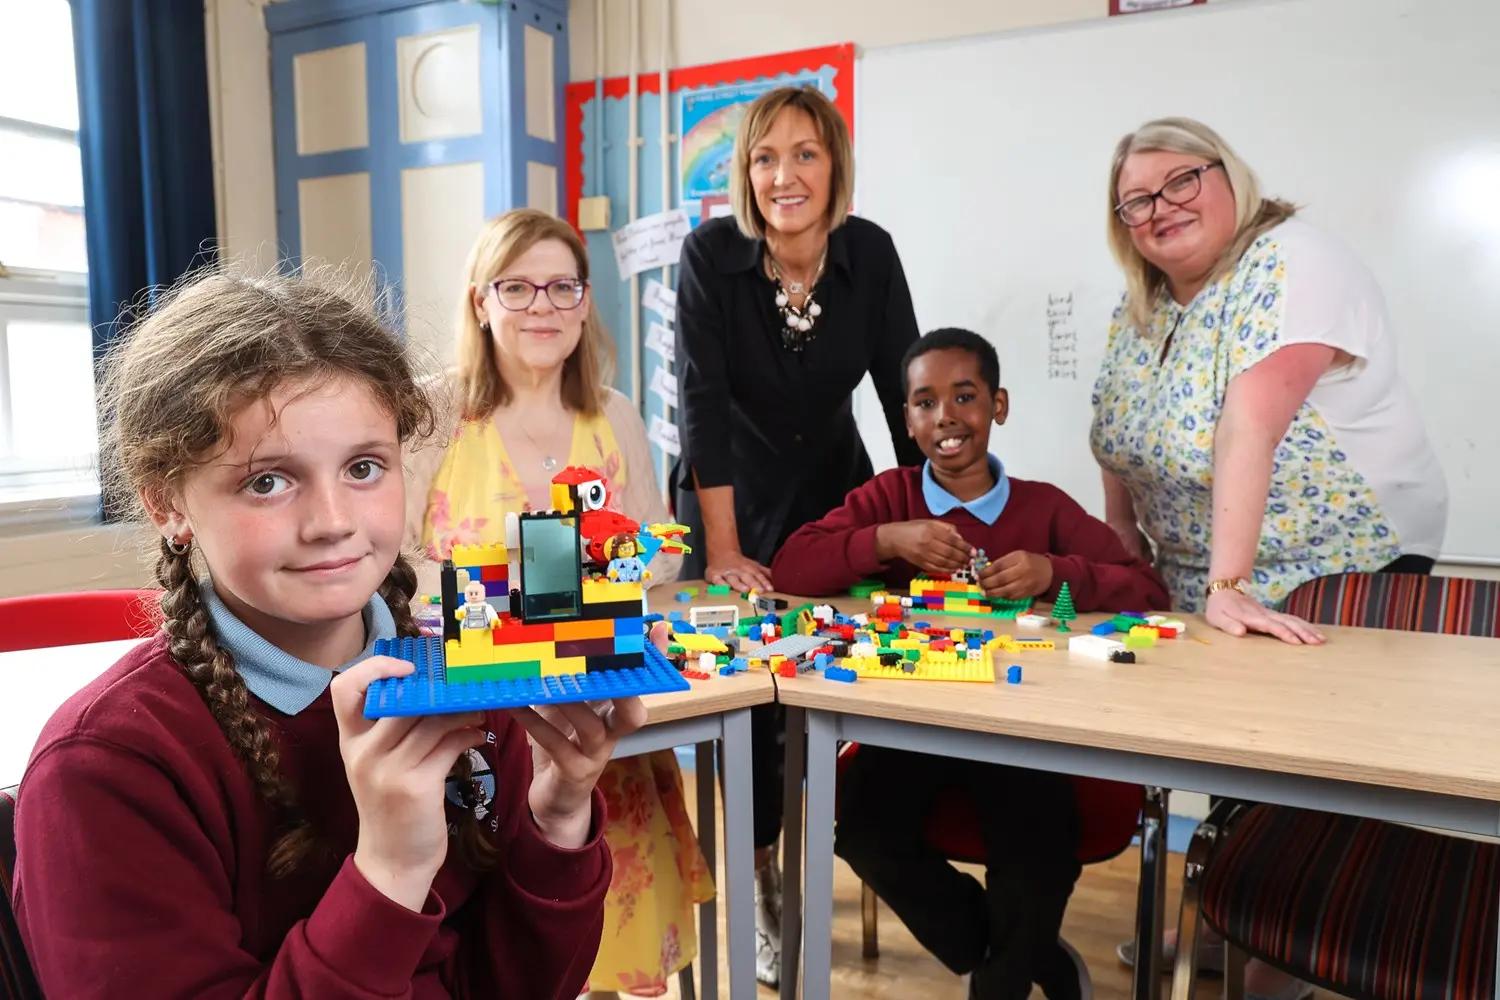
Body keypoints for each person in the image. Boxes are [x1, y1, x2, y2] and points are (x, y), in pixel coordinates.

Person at [12, 270, 646, 997]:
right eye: (267, 482)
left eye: (365, 468)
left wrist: (557, 814)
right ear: (166, 504)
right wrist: (390, 871)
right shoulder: (105, 768)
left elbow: (524, 985)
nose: (332, 521)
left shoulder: (468, 682)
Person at [772, 328, 1168, 1000]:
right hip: (913, 730)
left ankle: (1005, 977)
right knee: (865, 833)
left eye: (965, 397)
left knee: (1038, 849)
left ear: (998, 406)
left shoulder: (1043, 508)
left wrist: (1053, 571)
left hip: (1021, 733)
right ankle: (1023, 957)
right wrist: (886, 539)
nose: (946, 417)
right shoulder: (891, 496)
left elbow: (1147, 589)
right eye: (925, 403)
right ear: (907, 420)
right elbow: (792, 565)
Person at [404, 209, 713, 999]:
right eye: (518, 287)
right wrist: (517, 574)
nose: (542, 306)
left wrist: (592, 571)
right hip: (474, 726)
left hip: (595, 719)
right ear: (482, 302)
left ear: (584, 302)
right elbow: (395, 557)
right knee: (502, 953)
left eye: (562, 286)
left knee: (608, 932)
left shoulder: (612, 414)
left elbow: (664, 548)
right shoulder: (432, 413)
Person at [673, 84, 924, 984]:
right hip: (728, 497)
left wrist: (925, 527)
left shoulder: (871, 253)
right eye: (765, 156)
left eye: (805, 154)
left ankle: (851, 845)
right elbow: (700, 407)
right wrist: (728, 550)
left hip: (836, 496)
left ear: (834, 166)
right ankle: (760, 883)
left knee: (847, 683)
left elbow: (907, 408)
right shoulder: (710, 256)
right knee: (751, 702)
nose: (785, 175)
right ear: (746, 172)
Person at [1092, 116, 1447, 645]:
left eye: (1181, 180)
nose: (1162, 206)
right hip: (1196, 583)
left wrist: (1229, 583)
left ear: (1229, 176)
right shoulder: (1142, 303)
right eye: (1137, 201)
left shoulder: (1292, 262)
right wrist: (1120, 528)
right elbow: (1116, 425)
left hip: (1332, 571)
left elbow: (1248, 429)